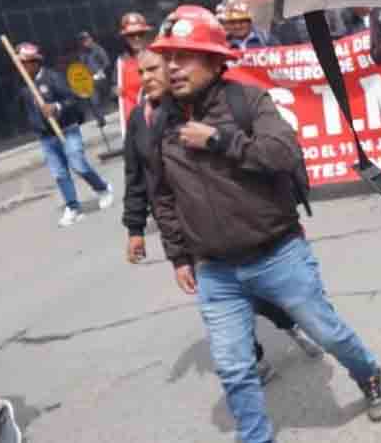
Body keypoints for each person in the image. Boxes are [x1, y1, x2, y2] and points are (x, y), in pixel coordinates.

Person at [147, 6, 381, 443]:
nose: (172, 67)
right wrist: (179, 255)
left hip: (277, 255)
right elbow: (162, 194)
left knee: (327, 333)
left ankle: (369, 375)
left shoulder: (247, 101)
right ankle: (255, 436)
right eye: (168, 58)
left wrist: (219, 140)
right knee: (233, 367)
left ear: (214, 61)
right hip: (215, 271)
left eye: (184, 56)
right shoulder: (160, 121)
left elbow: (283, 154)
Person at [121, 49, 323, 384]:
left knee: (262, 296)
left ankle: (292, 324)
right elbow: (139, 178)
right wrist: (136, 229)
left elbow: (269, 153)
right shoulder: (140, 121)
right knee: (225, 306)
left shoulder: (211, 107)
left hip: (243, 227)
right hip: (193, 232)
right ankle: (251, 360)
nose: (147, 78)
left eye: (154, 68)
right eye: (141, 72)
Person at [15, 42, 113, 227]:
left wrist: (56, 107)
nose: (21, 67)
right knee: (59, 173)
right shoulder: (24, 86)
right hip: (46, 136)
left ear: (34, 62)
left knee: (78, 165)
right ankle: (73, 207)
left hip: (67, 130)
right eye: (19, 63)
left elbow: (73, 99)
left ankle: (102, 188)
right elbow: (25, 109)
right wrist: (35, 122)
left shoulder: (53, 78)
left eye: (24, 63)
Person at [77, 31, 110, 128]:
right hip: (90, 80)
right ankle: (100, 120)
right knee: (94, 101)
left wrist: (101, 71)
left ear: (90, 39)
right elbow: (82, 67)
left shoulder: (98, 49)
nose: (85, 42)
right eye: (82, 41)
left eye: (86, 39)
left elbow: (106, 62)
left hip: (101, 78)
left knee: (106, 97)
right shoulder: (82, 54)